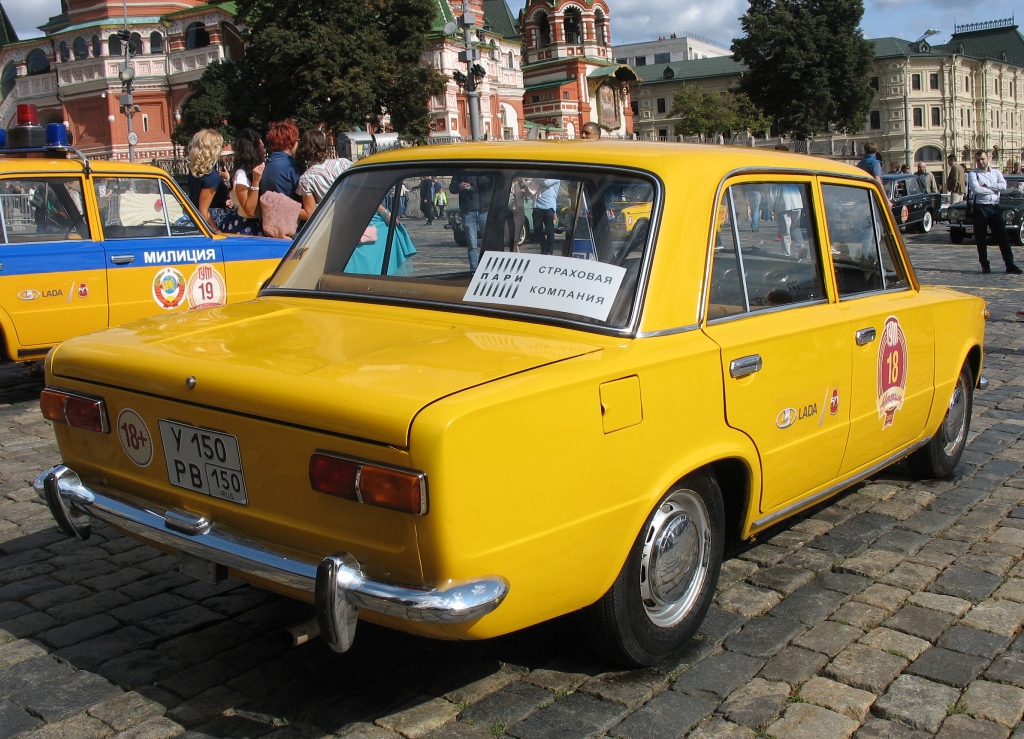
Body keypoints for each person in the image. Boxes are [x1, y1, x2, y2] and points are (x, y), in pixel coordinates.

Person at [967, 149, 1022, 274]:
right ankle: (985, 265)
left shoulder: (996, 172)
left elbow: (1003, 186)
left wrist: (986, 186)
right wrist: (994, 189)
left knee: (1003, 237)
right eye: (978, 160)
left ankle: (1010, 264)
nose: (980, 162)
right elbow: (976, 190)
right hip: (981, 208)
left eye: (982, 159)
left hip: (995, 207)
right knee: (981, 238)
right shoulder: (973, 174)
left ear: (988, 159)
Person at [295, 129, 352, 221]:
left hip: (334, 222)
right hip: (356, 215)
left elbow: (310, 214)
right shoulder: (344, 163)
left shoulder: (306, 179)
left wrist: (287, 208)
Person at [222, 128, 265, 235]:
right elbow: (249, 210)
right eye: (262, 147)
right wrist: (255, 182)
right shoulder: (241, 175)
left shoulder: (254, 170)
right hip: (246, 227)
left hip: (259, 223)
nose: (264, 150)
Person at [186, 129, 230, 232]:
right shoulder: (211, 176)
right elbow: (203, 211)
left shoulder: (196, 172)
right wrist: (216, 231)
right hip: (211, 222)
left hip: (194, 219)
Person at [450, 174, 492, 269]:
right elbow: (452, 187)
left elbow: (495, 184)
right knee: (472, 244)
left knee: (488, 243)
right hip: (468, 211)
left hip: (484, 210)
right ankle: (474, 270)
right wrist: (459, 186)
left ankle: (487, 268)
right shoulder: (462, 171)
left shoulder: (486, 170)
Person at [259, 120, 304, 202]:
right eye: (297, 140)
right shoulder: (294, 167)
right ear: (290, 142)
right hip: (292, 212)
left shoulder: (264, 166)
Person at [531, 178, 560, 255]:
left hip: (549, 207)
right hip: (537, 206)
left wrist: (536, 180)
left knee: (550, 231)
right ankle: (543, 247)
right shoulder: (541, 177)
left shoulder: (556, 178)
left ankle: (549, 251)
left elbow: (546, 183)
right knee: (537, 229)